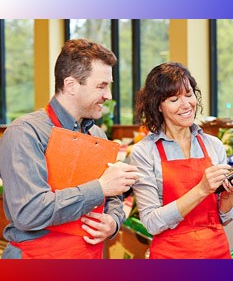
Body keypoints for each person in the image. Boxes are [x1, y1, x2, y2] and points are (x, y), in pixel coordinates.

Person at [0, 39, 139, 259]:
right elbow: (29, 212)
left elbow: (114, 196)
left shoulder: (98, 135)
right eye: (101, 86)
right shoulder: (24, 132)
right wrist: (99, 187)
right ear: (71, 85)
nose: (109, 95)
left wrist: (113, 222)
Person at [131, 62, 233, 259]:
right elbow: (151, 223)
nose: (186, 105)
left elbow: (225, 218)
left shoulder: (213, 145)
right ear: (158, 105)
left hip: (216, 252)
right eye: (174, 99)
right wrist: (201, 189)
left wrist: (228, 195)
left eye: (189, 94)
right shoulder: (144, 152)